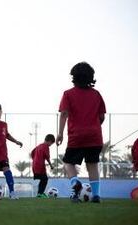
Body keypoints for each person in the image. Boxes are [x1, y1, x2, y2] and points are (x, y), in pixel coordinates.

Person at [56, 62, 106, 203]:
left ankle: (74, 183)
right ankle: (96, 196)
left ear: (74, 77)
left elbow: (64, 114)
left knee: (68, 163)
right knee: (92, 165)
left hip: (76, 136)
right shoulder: (96, 95)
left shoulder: (68, 94)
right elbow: (101, 117)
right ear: (91, 77)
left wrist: (60, 134)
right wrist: (94, 126)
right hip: (95, 136)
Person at [31, 134, 55, 198]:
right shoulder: (46, 146)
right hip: (40, 166)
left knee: (43, 179)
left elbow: (32, 153)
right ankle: (40, 193)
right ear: (49, 141)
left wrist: (35, 159)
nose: (50, 145)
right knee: (44, 179)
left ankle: (40, 193)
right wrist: (51, 165)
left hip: (34, 165)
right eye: (51, 143)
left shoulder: (38, 146)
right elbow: (47, 157)